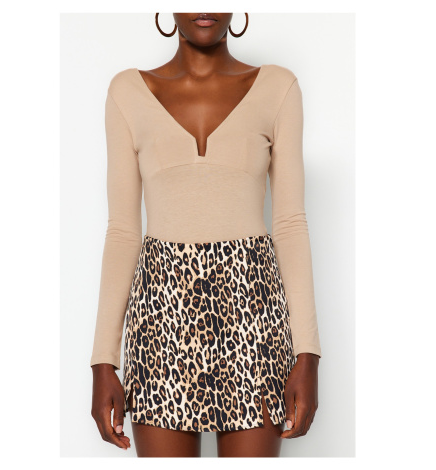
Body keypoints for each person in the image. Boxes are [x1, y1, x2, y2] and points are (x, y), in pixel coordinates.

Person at [90, 12, 322, 458]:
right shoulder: (127, 92)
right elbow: (122, 232)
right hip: (161, 323)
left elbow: (290, 224)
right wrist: (104, 361)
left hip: (253, 318)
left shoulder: (278, 88)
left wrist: (307, 354)